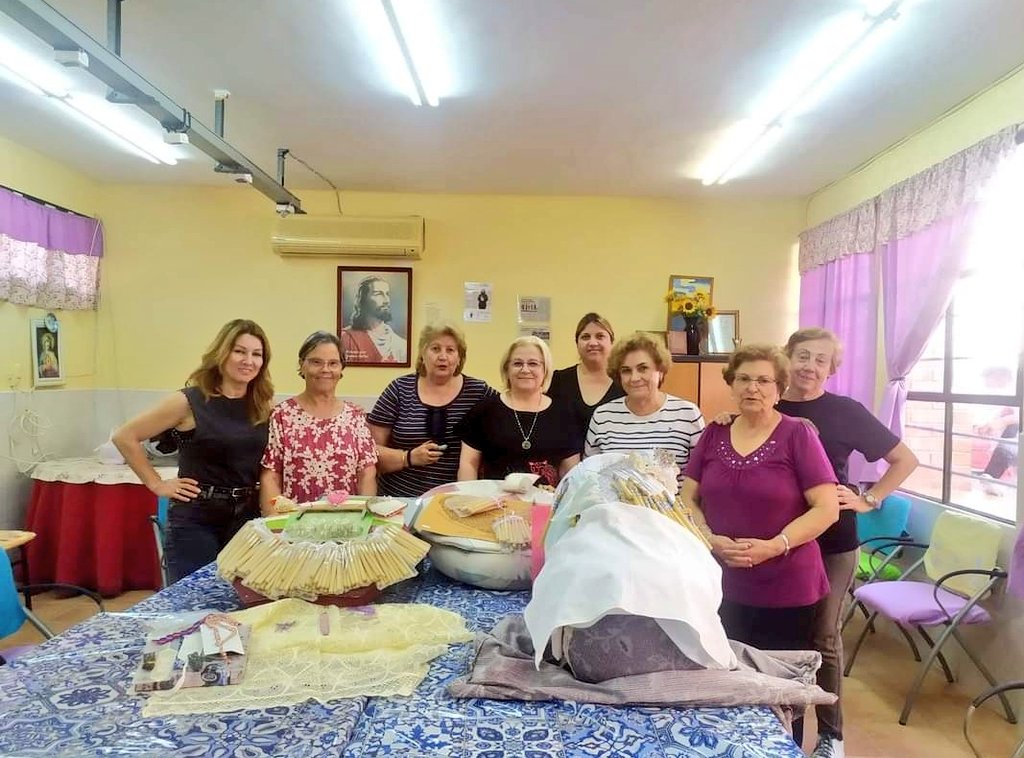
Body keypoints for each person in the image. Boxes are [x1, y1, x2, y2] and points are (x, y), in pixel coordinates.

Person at [682, 344, 839, 748]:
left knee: (780, 688)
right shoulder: (714, 432)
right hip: (720, 583)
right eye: (744, 378)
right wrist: (708, 538)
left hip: (786, 586)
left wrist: (775, 545)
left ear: (779, 386)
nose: (753, 387)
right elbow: (687, 499)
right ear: (732, 384)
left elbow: (826, 509)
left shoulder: (797, 434)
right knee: (726, 679)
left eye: (764, 380)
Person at [777, 328, 918, 758]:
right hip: (781, 539)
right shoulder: (768, 403)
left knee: (822, 635)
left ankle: (832, 735)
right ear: (787, 358)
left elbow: (905, 459)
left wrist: (868, 499)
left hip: (834, 541)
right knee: (786, 636)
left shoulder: (846, 411)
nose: (810, 366)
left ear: (832, 368)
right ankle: (789, 729)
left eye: (821, 360)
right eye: (802, 356)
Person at [112, 319, 274, 583]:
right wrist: (156, 484)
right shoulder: (189, 401)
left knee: (242, 601)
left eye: (257, 354)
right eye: (239, 351)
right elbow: (125, 436)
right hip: (197, 518)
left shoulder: (262, 404)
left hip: (246, 518)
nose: (248, 360)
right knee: (195, 603)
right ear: (222, 353)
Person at [368, 323, 496, 497]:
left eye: (450, 350)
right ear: (423, 354)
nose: (443, 356)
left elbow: (509, 411)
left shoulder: (479, 392)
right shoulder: (399, 389)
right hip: (400, 500)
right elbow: (369, 453)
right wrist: (408, 457)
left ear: (459, 358)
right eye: (435, 349)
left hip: (457, 502)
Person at [260, 331, 377, 508]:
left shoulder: (354, 417)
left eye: (333, 363)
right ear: (302, 365)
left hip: (347, 524)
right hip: (294, 526)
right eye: (316, 362)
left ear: (341, 368)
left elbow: (367, 474)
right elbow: (271, 476)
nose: (325, 370)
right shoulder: (282, 415)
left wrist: (364, 517)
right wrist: (277, 525)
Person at [458, 336, 580, 487]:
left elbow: (570, 471)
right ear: (506, 369)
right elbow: (469, 463)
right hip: (494, 504)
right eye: (517, 363)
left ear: (545, 370)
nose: (525, 369)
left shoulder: (563, 414)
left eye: (533, 363)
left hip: (542, 506)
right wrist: (469, 499)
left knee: (538, 512)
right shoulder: (484, 410)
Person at [585, 331, 703, 482]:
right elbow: (589, 476)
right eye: (626, 371)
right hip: (614, 505)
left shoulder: (687, 414)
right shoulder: (603, 417)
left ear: (660, 371)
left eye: (643, 368)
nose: (634, 378)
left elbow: (702, 478)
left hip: (674, 505)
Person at [547, 313, 625, 451]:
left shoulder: (624, 382)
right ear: (577, 343)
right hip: (563, 465)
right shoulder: (558, 380)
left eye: (600, 336)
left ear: (611, 342)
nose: (593, 343)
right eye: (585, 337)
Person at [340, 276, 407, 364]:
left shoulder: (401, 345)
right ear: (363, 299)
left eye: (387, 294)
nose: (386, 300)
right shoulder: (346, 338)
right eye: (378, 294)